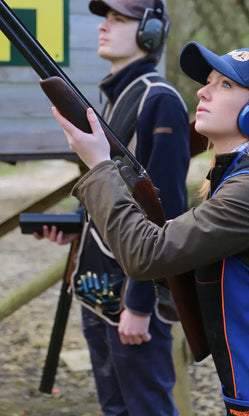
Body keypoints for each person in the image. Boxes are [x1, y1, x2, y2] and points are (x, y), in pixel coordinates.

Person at [51, 41, 249, 416]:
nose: (202, 91)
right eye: (208, 81)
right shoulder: (237, 178)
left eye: (224, 84)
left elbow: (147, 254)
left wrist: (99, 166)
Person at [35, 1, 190, 415]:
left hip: (131, 301)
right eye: (106, 18)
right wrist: (75, 227)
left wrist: (140, 305)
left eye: (119, 19)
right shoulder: (113, 99)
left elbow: (167, 215)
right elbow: (117, 197)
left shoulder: (160, 101)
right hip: (97, 293)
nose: (104, 27)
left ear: (150, 33)